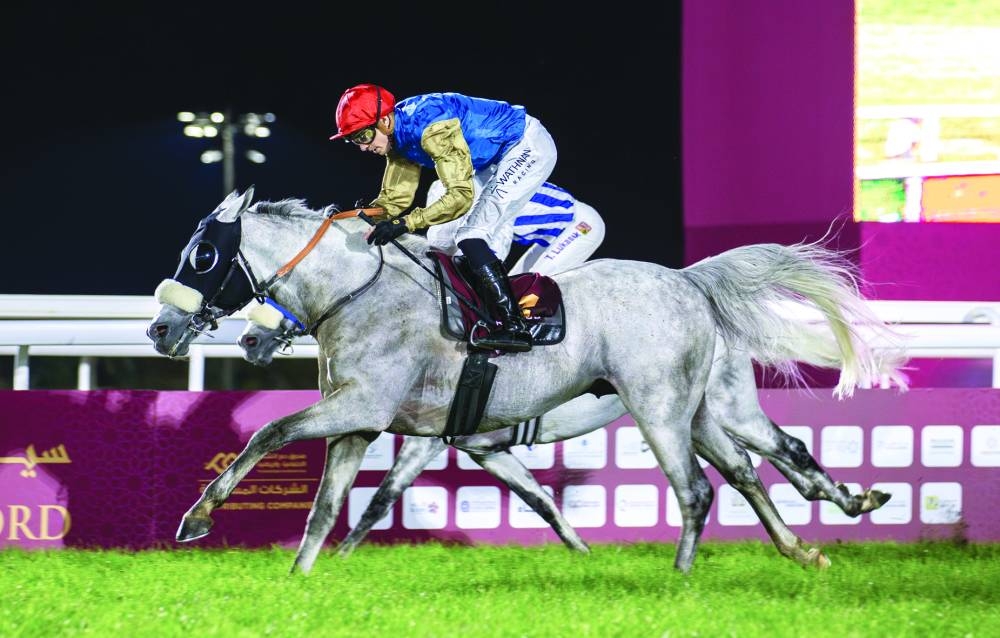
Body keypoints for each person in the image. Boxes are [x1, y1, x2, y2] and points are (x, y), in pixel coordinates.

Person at [330, 83, 559, 353]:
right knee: (440, 240)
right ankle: (470, 312)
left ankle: (515, 326)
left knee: (471, 235)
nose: (362, 146)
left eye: (364, 135)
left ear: (384, 120)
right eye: (353, 139)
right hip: (491, 160)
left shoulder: (431, 127)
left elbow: (459, 197)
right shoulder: (397, 135)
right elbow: (394, 199)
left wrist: (406, 223)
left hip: (524, 147)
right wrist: (355, 219)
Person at [424, 179, 605, 277]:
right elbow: (438, 242)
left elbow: (497, 249)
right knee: (516, 282)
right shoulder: (440, 187)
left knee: (531, 287)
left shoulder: (489, 197)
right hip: (554, 232)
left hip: (581, 225)